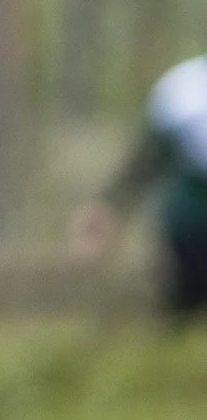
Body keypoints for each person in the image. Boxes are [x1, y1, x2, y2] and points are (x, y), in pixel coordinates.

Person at [81, 57, 207, 314]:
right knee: (184, 311)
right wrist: (109, 205)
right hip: (191, 226)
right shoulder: (184, 89)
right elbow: (146, 160)